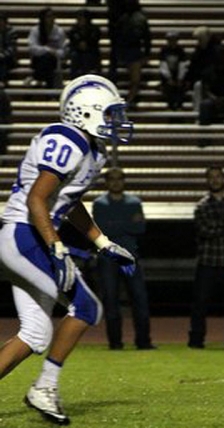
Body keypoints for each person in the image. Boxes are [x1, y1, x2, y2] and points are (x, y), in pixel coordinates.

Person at [0, 74, 135, 424]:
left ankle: (43, 388)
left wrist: (101, 242)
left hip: (29, 235)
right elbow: (37, 198)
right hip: (23, 233)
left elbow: (69, 202)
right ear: (85, 113)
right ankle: (44, 388)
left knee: (35, 333)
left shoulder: (91, 149)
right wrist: (56, 246)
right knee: (87, 307)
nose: (115, 121)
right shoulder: (68, 137)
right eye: (109, 113)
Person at [92, 166, 154, 351]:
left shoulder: (134, 202)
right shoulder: (99, 203)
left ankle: (143, 342)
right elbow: (103, 230)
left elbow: (140, 228)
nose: (116, 182)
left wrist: (114, 225)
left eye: (119, 178)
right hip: (108, 258)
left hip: (130, 257)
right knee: (111, 301)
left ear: (123, 181)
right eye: (112, 179)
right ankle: (115, 343)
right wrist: (126, 224)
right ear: (107, 182)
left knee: (140, 300)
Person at [188, 164, 224, 350]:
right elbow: (204, 229)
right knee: (200, 305)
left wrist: (218, 225)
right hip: (208, 263)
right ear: (207, 180)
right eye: (211, 177)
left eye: (218, 176)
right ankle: (196, 341)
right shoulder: (202, 206)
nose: (215, 180)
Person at [111, 0, 150, 108]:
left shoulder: (137, 18)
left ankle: (131, 98)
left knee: (135, 79)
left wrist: (146, 53)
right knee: (132, 79)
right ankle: (128, 98)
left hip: (134, 50)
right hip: (128, 49)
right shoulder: (124, 18)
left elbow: (147, 37)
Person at [27, 7, 66, 88]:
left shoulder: (59, 31)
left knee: (49, 60)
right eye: (48, 16)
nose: (51, 19)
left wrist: (54, 52)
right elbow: (32, 48)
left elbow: (63, 51)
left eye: (52, 16)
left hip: (55, 60)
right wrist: (47, 50)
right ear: (43, 18)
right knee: (46, 59)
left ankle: (37, 78)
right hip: (38, 60)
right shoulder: (35, 30)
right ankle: (48, 88)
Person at [158, 31, 188, 111]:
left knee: (181, 86)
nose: (172, 42)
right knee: (168, 87)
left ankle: (179, 105)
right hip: (167, 76)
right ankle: (170, 105)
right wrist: (168, 78)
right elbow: (163, 66)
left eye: (174, 40)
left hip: (178, 75)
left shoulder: (180, 51)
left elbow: (182, 65)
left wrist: (180, 78)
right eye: (170, 40)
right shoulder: (164, 51)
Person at [67, 8, 101, 78]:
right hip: (77, 52)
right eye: (79, 18)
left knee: (88, 57)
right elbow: (73, 42)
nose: (80, 20)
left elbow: (94, 42)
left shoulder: (94, 30)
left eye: (82, 18)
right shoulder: (73, 30)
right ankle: (74, 77)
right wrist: (79, 45)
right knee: (74, 55)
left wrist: (87, 45)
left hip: (91, 51)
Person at [0, 12, 18, 87]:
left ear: (5, 22)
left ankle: (2, 80)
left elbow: (12, 49)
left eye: (1, 22)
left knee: (2, 60)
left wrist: (2, 54)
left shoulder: (12, 32)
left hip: (9, 59)